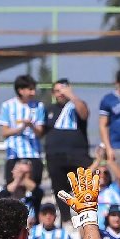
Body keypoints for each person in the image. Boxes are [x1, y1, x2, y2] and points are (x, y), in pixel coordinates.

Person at [43, 78, 92, 216]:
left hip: (78, 156)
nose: (61, 94)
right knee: (60, 190)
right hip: (55, 156)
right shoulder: (49, 109)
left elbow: (84, 114)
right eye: (57, 91)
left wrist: (72, 96)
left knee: (83, 189)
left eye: (63, 90)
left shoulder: (77, 106)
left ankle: (85, 218)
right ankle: (65, 219)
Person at [0, 74, 47, 194]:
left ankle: (34, 212)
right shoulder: (7, 106)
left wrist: (31, 126)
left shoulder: (39, 106)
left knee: (35, 190)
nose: (33, 92)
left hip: (33, 154)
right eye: (30, 89)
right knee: (11, 189)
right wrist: (21, 128)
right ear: (20, 90)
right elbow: (4, 132)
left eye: (34, 89)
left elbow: (40, 132)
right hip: (14, 154)